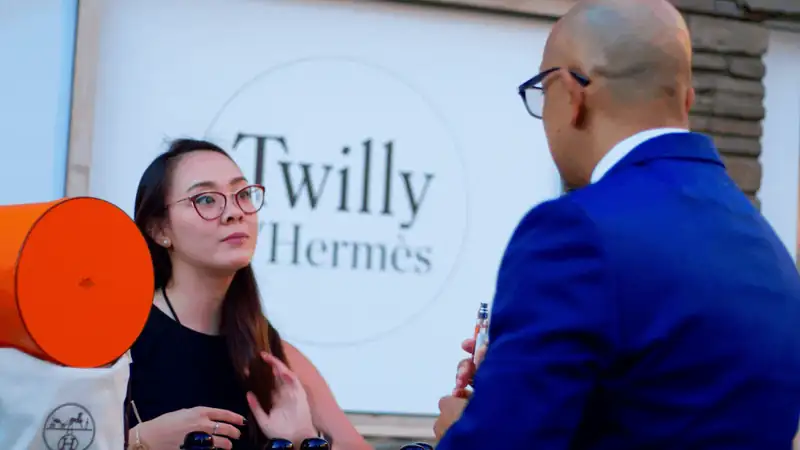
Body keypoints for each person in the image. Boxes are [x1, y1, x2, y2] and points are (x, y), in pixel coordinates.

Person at [431, 0, 800, 448]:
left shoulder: (576, 232)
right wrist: (517, 368)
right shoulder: (772, 252)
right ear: (686, 99)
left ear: (571, 95)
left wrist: (464, 429)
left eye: (542, 94)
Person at [126, 138, 371, 450]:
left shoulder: (273, 357)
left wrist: (303, 438)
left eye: (242, 194)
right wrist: (139, 441)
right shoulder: (117, 337)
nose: (234, 212)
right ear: (159, 230)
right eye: (205, 199)